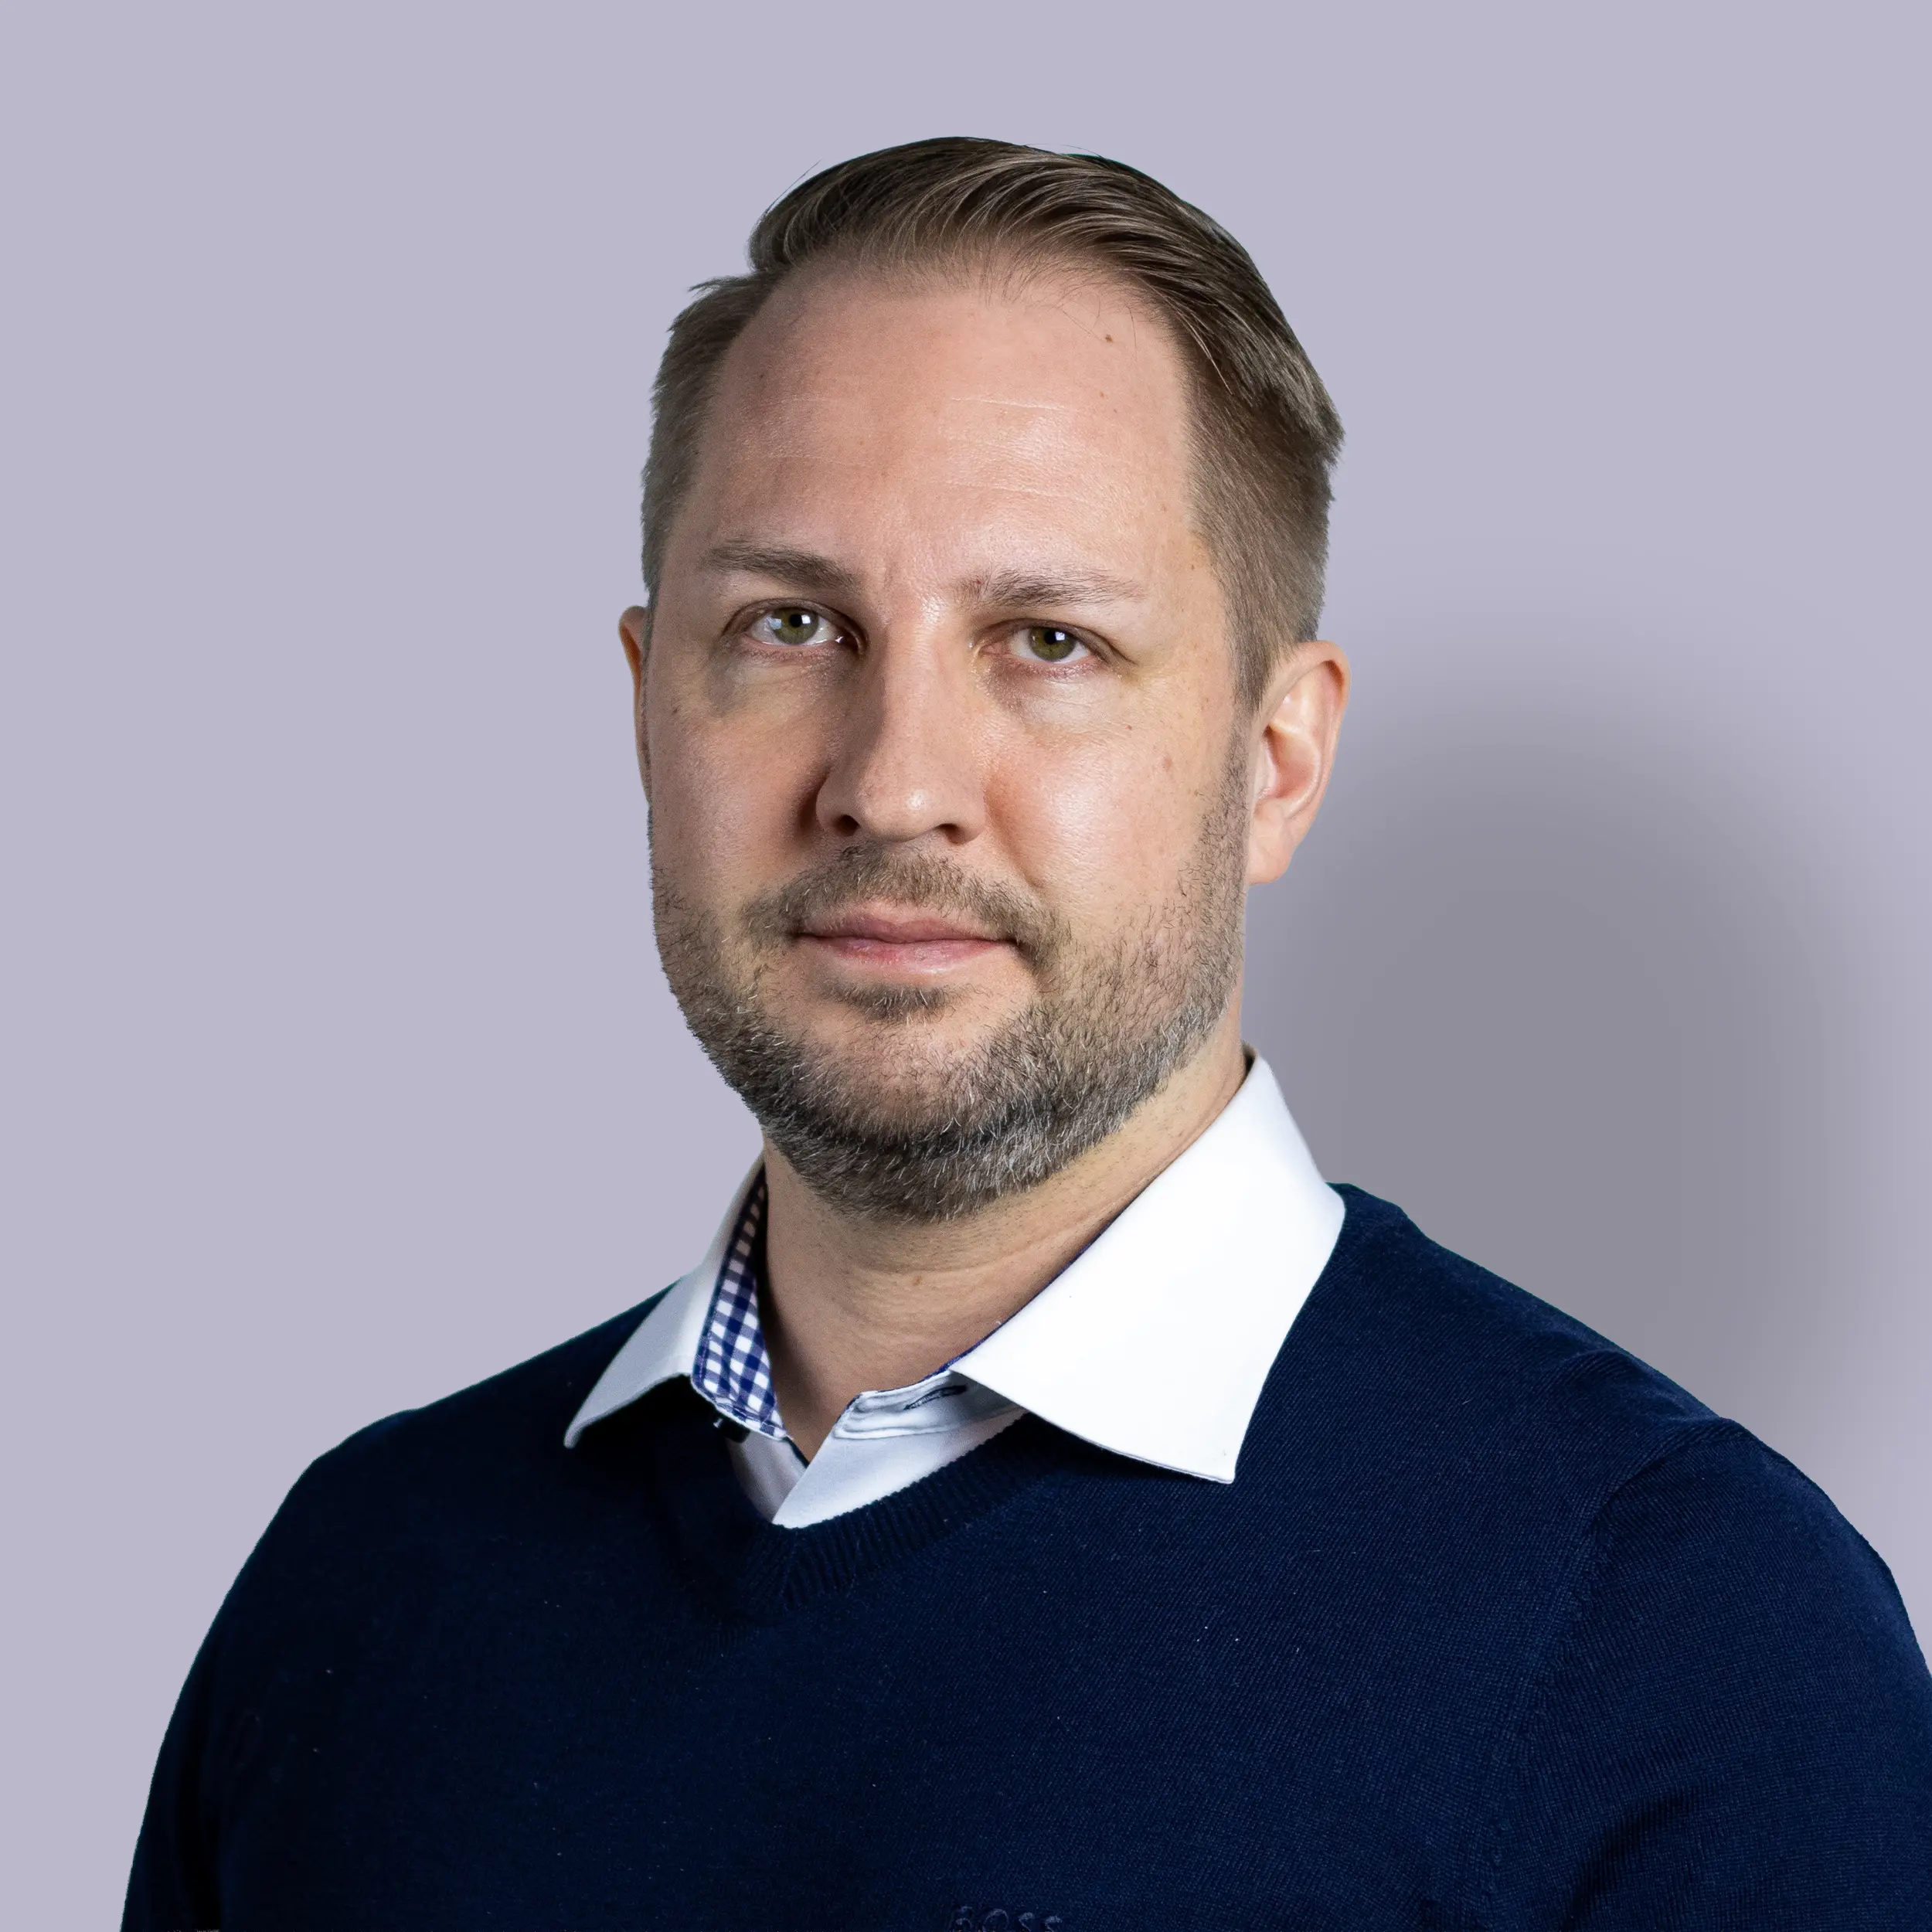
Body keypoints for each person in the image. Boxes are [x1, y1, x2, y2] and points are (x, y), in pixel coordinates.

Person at [124, 138, 1932, 1930]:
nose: (890, 780)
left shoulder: (1683, 1635)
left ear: (1274, 761)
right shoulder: (363, 1581)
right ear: (647, 704)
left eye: (1048, 640)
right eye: (789, 625)